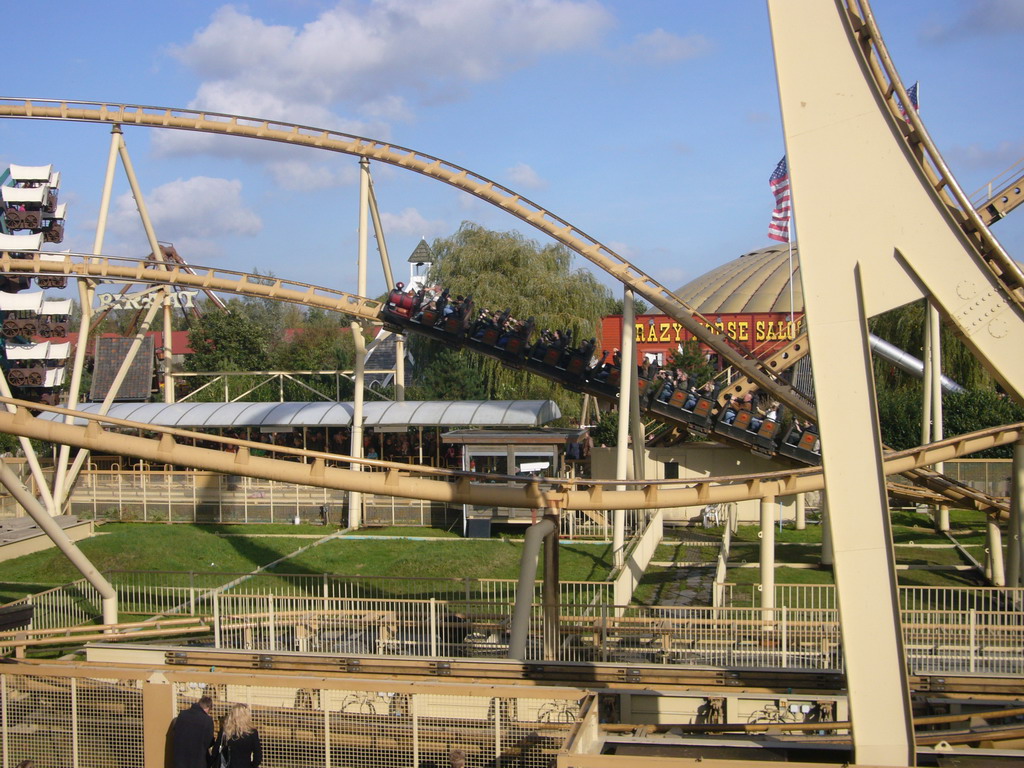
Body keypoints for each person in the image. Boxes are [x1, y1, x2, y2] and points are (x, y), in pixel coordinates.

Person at [173, 695, 214, 768]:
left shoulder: (182, 715)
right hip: (198, 761)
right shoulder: (207, 720)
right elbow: (208, 742)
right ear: (208, 708)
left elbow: (175, 732)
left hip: (180, 761)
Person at [215, 703, 262, 768]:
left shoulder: (226, 731)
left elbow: (216, 750)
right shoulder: (252, 732)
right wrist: (253, 765)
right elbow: (258, 755)